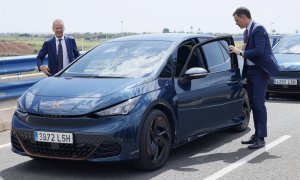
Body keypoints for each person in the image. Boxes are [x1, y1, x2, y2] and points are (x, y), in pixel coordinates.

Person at [228, 7, 279, 149]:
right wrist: (243, 49)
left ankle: (261, 138)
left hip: (259, 72)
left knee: (259, 105)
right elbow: (250, 50)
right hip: (250, 71)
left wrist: (241, 52)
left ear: (244, 17)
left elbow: (259, 51)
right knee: (254, 105)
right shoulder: (247, 32)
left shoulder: (258, 29)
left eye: (237, 20)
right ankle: (257, 135)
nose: (236, 23)